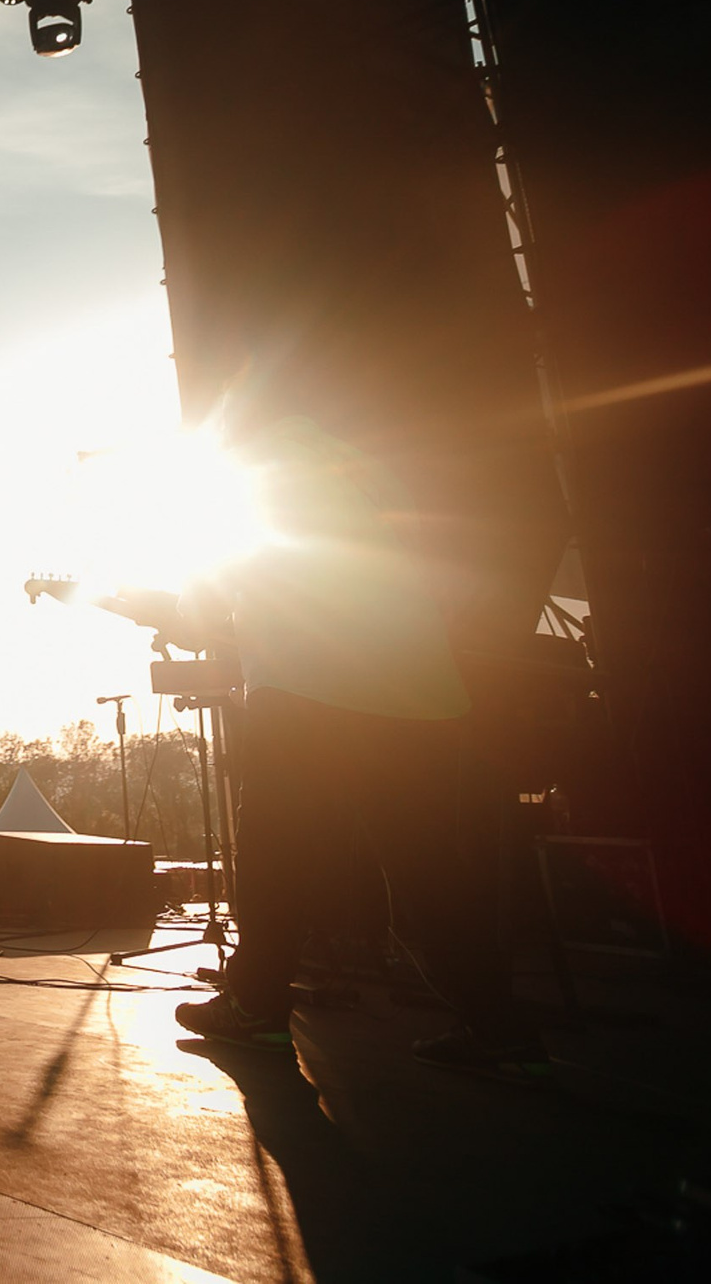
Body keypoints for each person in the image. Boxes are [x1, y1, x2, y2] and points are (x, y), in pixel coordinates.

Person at [150, 413, 546, 1076]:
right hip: (415, 693)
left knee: (276, 858)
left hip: (309, 693)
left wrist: (176, 615)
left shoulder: (235, 479)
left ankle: (255, 1009)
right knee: (427, 869)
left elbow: (204, 607)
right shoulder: (360, 466)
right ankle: (499, 1024)